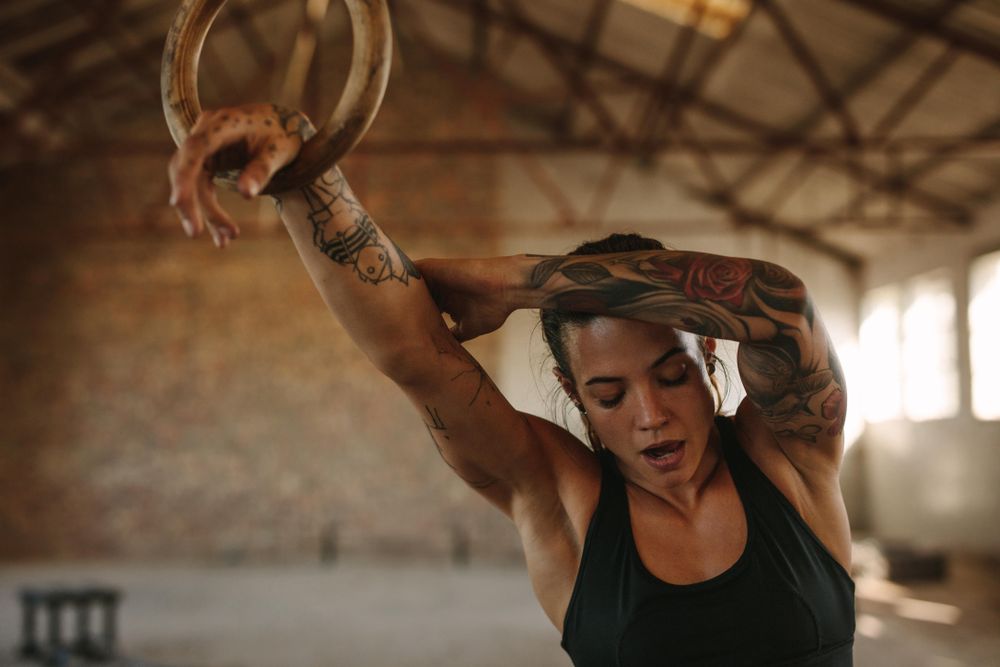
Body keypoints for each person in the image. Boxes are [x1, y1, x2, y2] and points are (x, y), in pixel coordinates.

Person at [168, 103, 855, 665]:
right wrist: (305, 172)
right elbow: (413, 352)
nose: (650, 415)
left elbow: (783, 304)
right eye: (609, 394)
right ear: (572, 388)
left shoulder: (789, 457)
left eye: (671, 375)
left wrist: (521, 279)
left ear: (709, 344)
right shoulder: (562, 500)